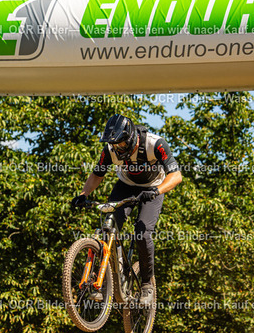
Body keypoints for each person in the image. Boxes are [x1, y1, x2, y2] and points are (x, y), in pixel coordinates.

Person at [70, 114, 182, 306]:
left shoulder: (155, 144)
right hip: (126, 186)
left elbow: (176, 175)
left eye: (121, 144)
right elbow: (97, 174)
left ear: (130, 138)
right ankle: (101, 278)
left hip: (153, 188)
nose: (117, 148)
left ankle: (146, 284)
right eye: (114, 144)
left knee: (142, 233)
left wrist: (157, 190)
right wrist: (83, 195)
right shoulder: (110, 150)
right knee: (108, 225)